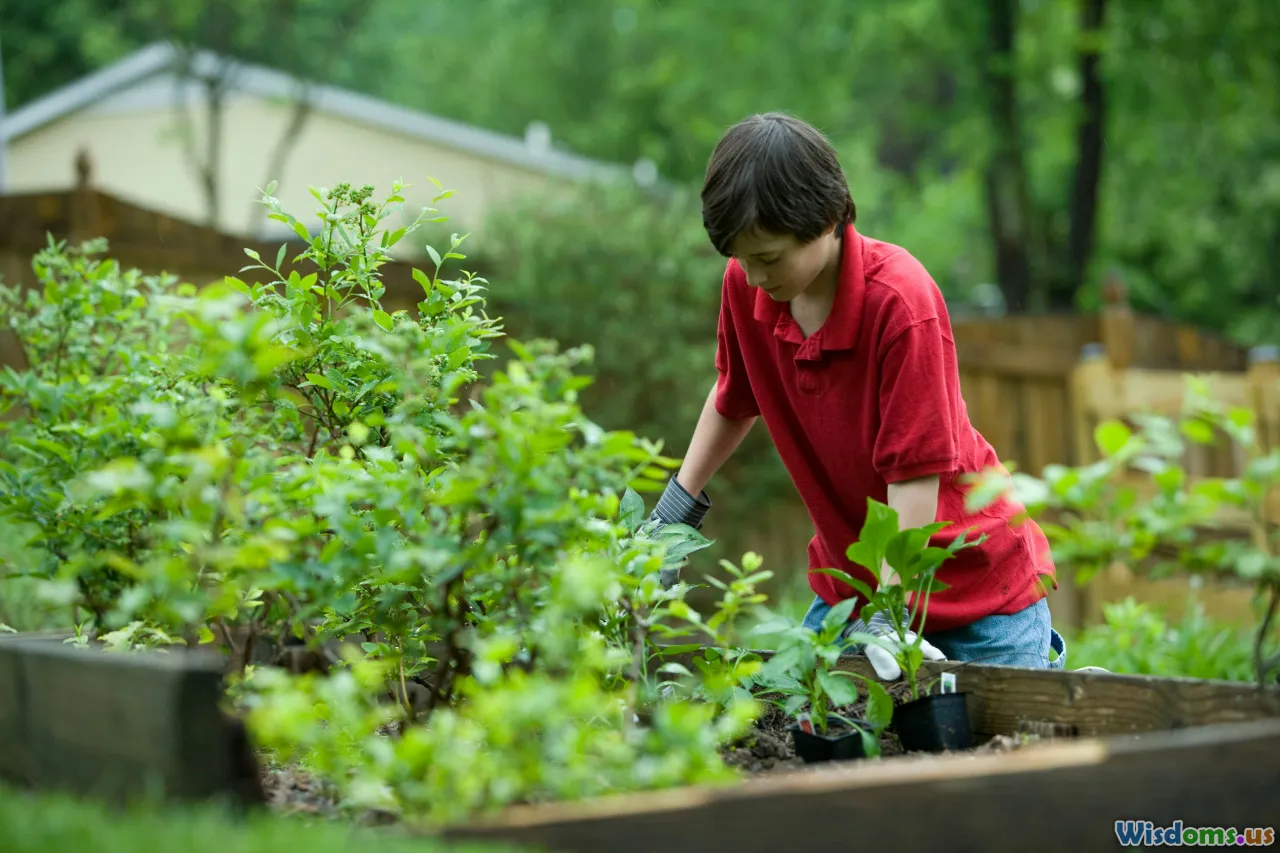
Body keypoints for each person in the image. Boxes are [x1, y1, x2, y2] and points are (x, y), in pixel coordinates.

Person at [649, 112, 1071, 679]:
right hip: (854, 589)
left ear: (824, 220)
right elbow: (734, 395)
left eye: (768, 258)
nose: (752, 277)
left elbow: (914, 475)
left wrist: (891, 617)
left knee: (996, 753)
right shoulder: (748, 287)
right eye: (740, 258)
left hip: (976, 595)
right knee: (801, 733)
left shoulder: (899, 301)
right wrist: (670, 518)